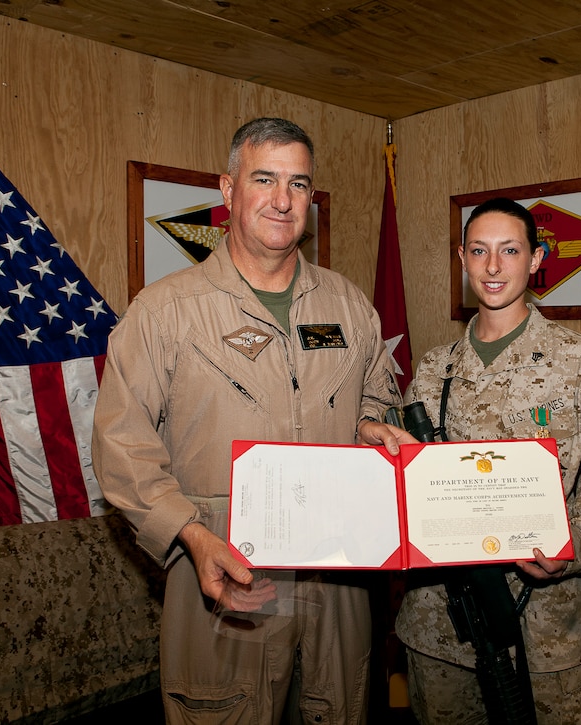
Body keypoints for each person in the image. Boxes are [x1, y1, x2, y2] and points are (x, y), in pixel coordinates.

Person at [92, 117, 408, 724]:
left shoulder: (348, 306)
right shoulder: (165, 312)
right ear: (229, 190)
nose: (284, 200)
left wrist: (369, 424)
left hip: (337, 576)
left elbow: (377, 394)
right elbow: (120, 446)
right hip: (224, 571)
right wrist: (190, 534)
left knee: (337, 711)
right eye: (265, 179)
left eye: (299, 183)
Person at [393, 197, 581, 724]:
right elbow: (405, 490)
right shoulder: (434, 370)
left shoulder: (576, 363)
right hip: (443, 628)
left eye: (510, 251)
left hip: (549, 633)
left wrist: (571, 547)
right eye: (480, 251)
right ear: (462, 258)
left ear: (535, 260)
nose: (493, 267)